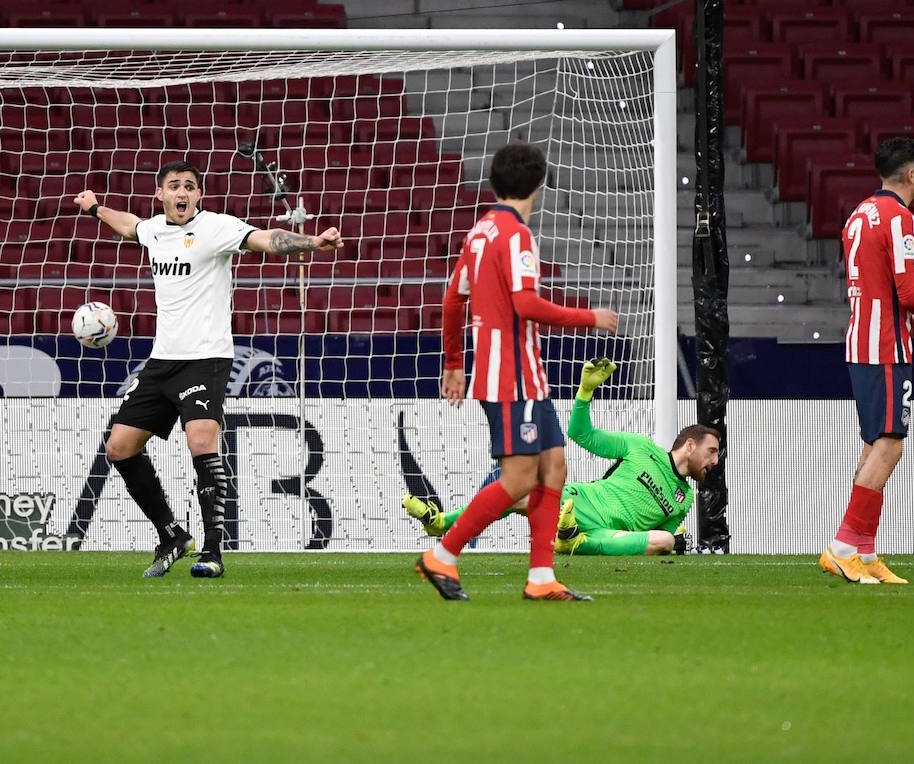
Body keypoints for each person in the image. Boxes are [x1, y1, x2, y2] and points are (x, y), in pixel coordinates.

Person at [72, 162, 344, 578]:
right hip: (162, 361)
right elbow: (130, 226)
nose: (182, 193)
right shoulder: (155, 231)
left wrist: (312, 242)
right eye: (174, 186)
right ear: (160, 194)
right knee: (119, 447)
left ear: (198, 194)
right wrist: (95, 209)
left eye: (190, 187)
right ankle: (172, 535)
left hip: (205, 358)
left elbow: (266, 239)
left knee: (201, 442)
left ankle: (213, 552)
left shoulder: (216, 228)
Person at [414, 142, 617, 601]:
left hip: (522, 377)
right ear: (539, 185)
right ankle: (442, 555)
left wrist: (452, 362)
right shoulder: (517, 235)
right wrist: (589, 317)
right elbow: (525, 305)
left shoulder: (480, 231)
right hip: (512, 377)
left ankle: (542, 578)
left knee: (553, 469)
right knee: (521, 479)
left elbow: (452, 299)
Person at [404, 359, 719, 556]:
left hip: (608, 535)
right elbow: (582, 434)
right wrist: (585, 392)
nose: (715, 461)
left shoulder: (685, 498)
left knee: (663, 540)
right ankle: (441, 522)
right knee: (518, 492)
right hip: (578, 502)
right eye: (712, 451)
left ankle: (577, 542)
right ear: (690, 445)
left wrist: (677, 543)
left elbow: (667, 539)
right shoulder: (640, 446)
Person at [821, 136, 914, 586]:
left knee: (874, 443)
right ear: (909, 174)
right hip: (884, 346)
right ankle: (843, 546)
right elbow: (908, 292)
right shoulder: (902, 219)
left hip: (859, 339)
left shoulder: (859, 213)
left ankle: (864, 551)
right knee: (891, 443)